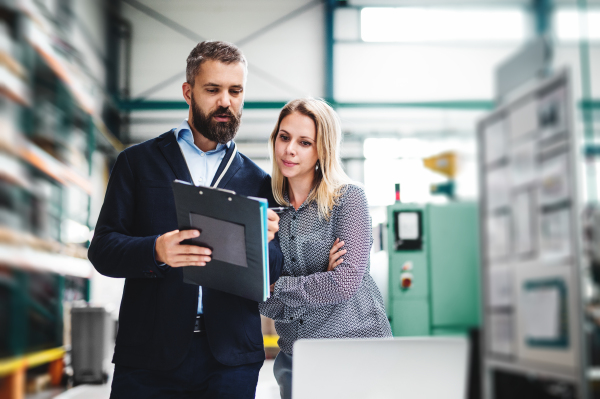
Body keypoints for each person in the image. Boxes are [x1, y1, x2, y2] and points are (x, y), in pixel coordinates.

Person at [88, 40, 283, 399]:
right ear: (188, 91)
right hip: (148, 356)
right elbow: (102, 249)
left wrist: (266, 242)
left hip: (230, 361)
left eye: (235, 91)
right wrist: (155, 251)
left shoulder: (259, 181)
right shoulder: (137, 163)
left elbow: (271, 275)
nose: (226, 101)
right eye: (213, 89)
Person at [259, 98, 393, 399]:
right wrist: (321, 278)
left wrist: (279, 287)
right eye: (284, 137)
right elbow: (259, 298)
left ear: (323, 149)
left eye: (305, 142)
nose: (289, 149)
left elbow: (344, 283)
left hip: (355, 350)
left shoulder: (347, 200)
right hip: (295, 356)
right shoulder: (267, 211)